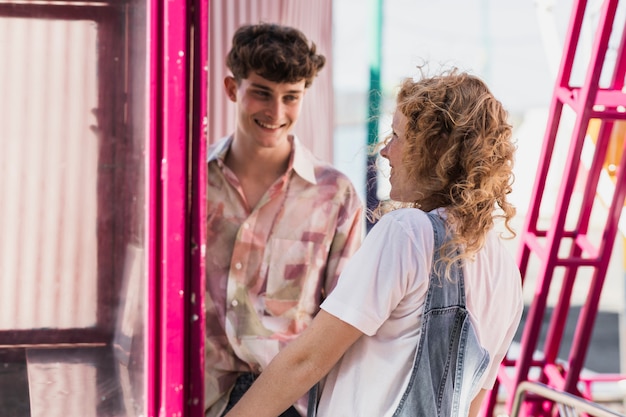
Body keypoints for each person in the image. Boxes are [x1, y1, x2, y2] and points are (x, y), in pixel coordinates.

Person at [222, 68, 524, 417]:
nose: (386, 152)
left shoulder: (409, 233)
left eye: (397, 136)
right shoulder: (506, 273)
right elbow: (471, 407)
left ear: (435, 151)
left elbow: (306, 360)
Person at [204, 23, 364, 417]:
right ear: (231, 89)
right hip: (194, 394)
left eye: (290, 97)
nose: (276, 112)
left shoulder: (335, 195)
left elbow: (343, 323)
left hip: (287, 404)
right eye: (261, 93)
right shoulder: (188, 184)